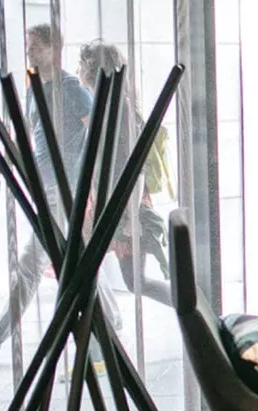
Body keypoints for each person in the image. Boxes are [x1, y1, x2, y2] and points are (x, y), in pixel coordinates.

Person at [0, 23, 96, 356]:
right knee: (76, 258)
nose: (30, 52)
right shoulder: (33, 88)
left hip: (61, 186)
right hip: (45, 185)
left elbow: (94, 133)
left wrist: (88, 183)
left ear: (54, 49)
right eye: (28, 47)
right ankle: (110, 319)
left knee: (32, 261)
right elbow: (25, 135)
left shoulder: (69, 88)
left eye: (36, 47)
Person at [76, 40, 172, 308]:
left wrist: (131, 214)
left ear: (93, 68)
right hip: (109, 202)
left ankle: (194, 307)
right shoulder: (103, 105)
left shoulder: (119, 107)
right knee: (87, 267)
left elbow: (135, 164)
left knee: (134, 281)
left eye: (82, 63)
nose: (77, 69)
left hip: (124, 203)